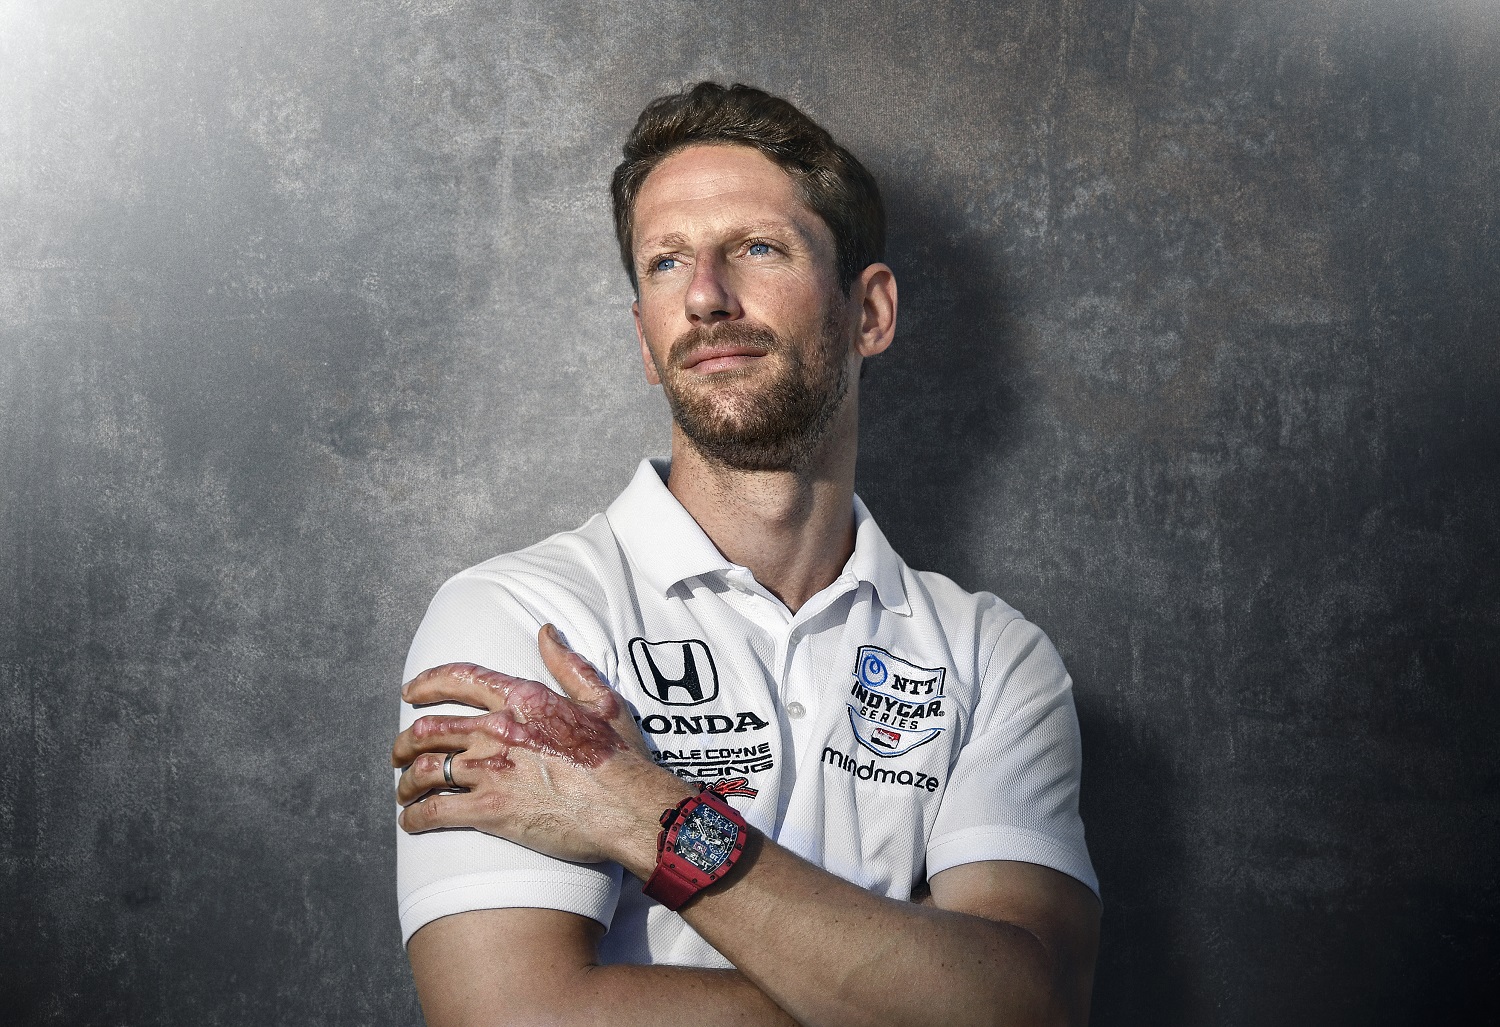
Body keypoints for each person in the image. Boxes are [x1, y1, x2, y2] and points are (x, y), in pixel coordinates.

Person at [392, 82, 1101, 1027]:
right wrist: (918, 990)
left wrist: (638, 808)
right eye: (666, 261)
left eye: (757, 249)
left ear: (870, 313)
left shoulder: (993, 656)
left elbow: (1031, 1011)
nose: (705, 296)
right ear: (646, 340)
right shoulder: (520, 618)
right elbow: (512, 1016)